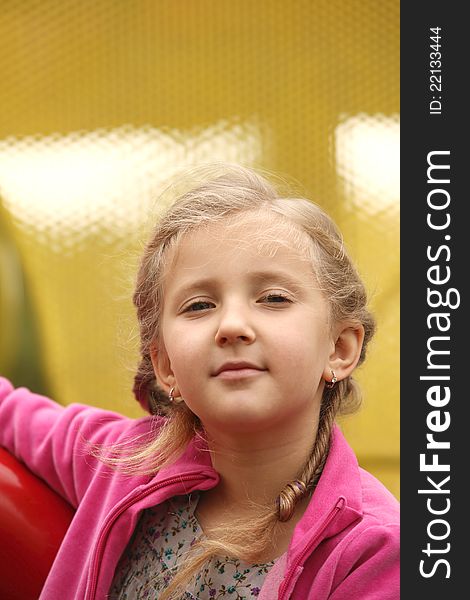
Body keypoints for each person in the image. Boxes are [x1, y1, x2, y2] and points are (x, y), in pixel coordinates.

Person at [0, 163, 399, 599]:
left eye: (273, 298)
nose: (231, 325)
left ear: (339, 349)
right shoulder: (121, 460)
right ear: (165, 364)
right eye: (199, 305)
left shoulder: (375, 549)